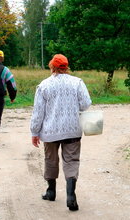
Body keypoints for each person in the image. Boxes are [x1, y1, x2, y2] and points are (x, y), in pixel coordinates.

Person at [30, 54, 91, 211]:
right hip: (72, 129)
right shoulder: (77, 82)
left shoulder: (44, 85)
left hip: (50, 132)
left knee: (51, 159)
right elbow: (85, 104)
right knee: (71, 161)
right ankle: (71, 195)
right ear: (66, 67)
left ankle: (51, 192)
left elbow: (38, 112)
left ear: (52, 67)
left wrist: (34, 132)